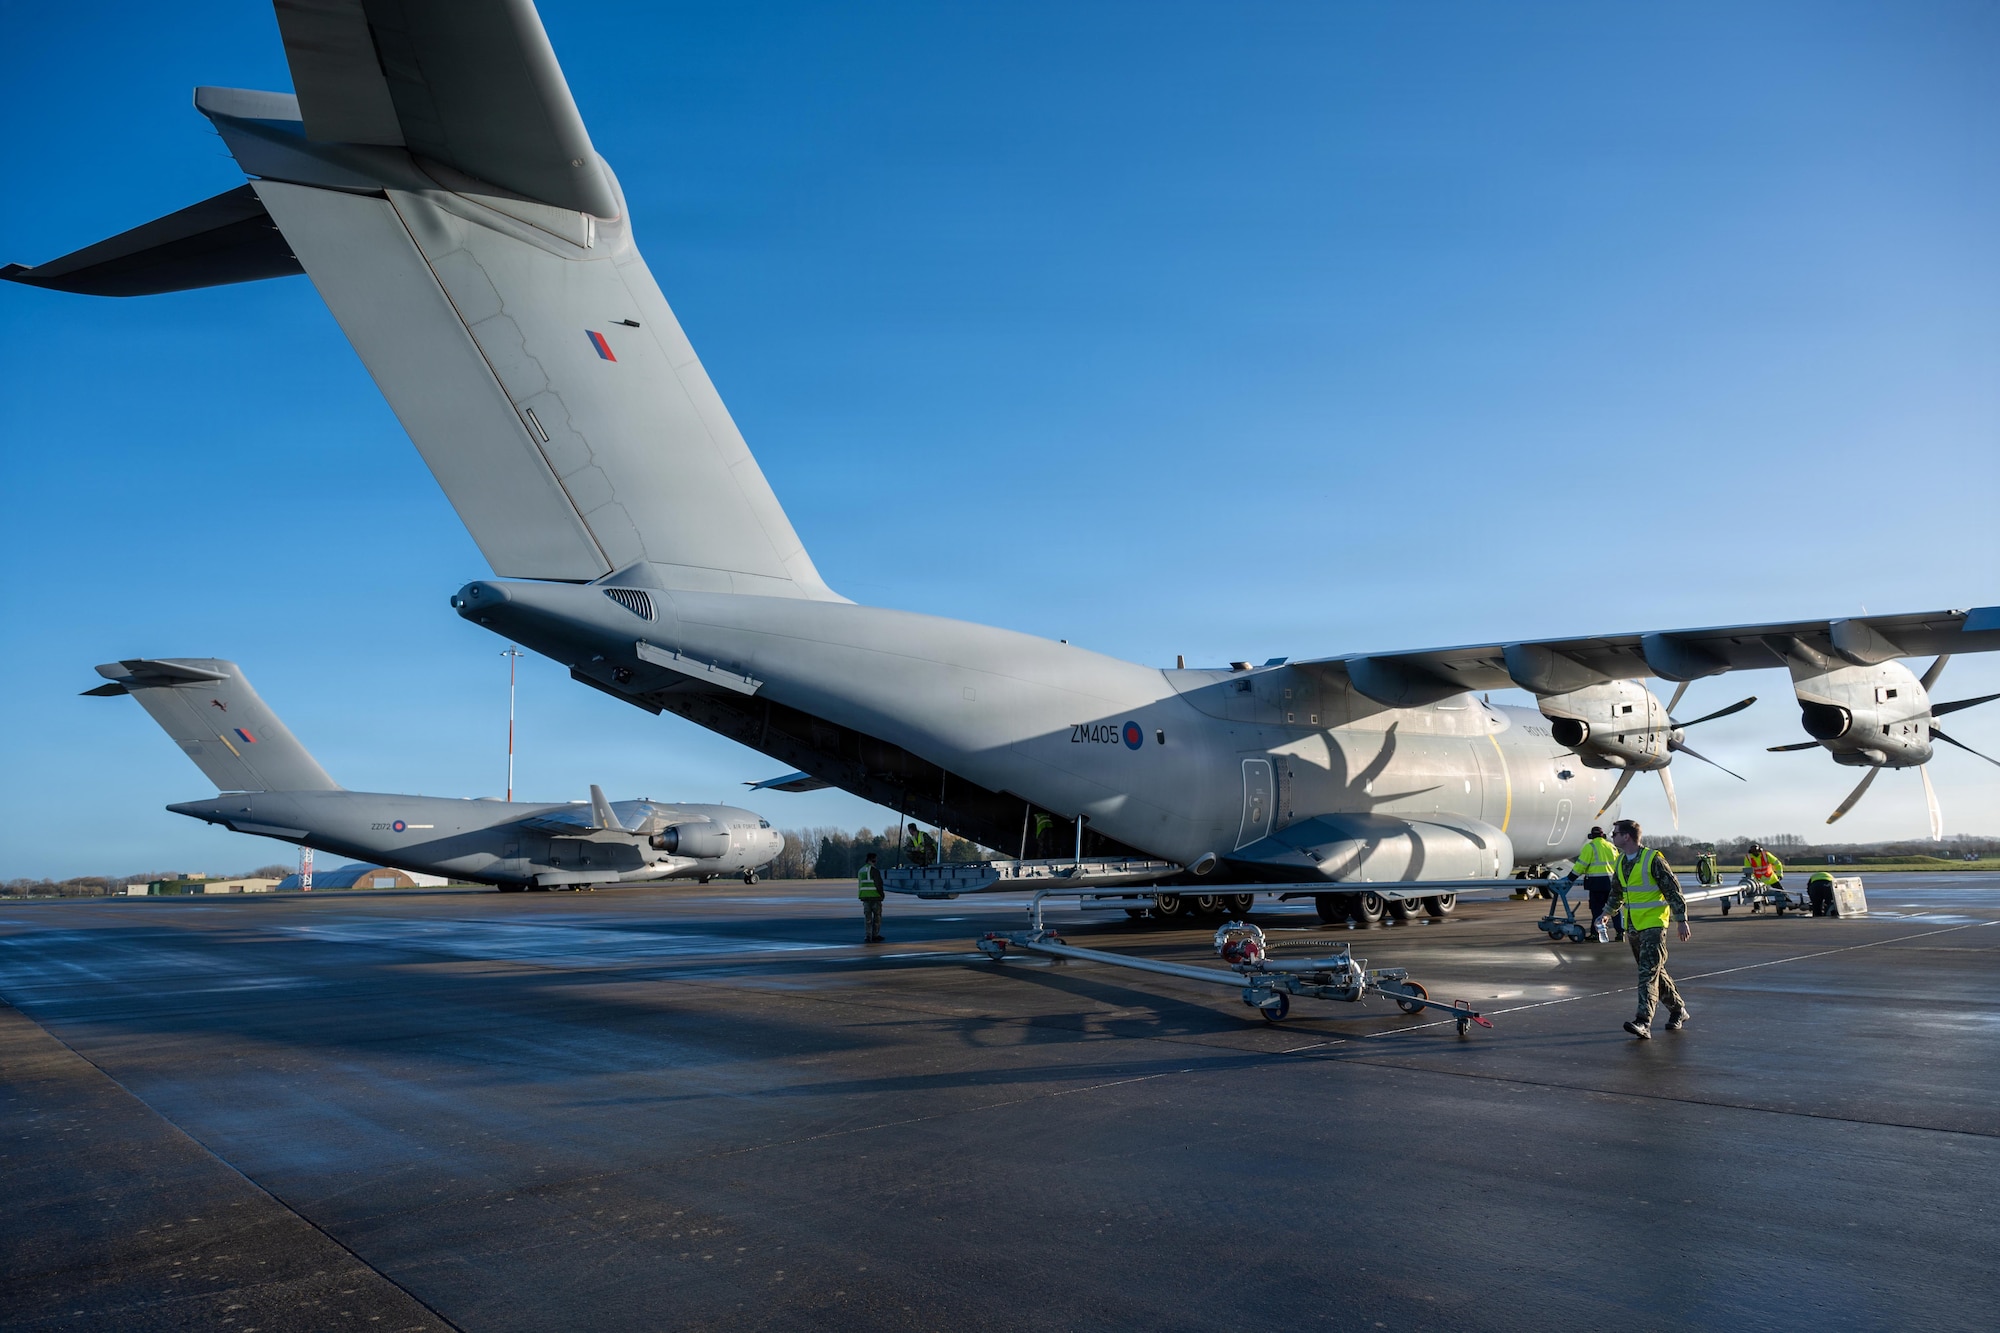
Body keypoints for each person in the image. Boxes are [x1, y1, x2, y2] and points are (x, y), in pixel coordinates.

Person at [1595, 818, 1691, 1040]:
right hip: (1634, 925)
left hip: (1654, 924)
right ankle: (1678, 1010)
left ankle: (1643, 1021)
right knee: (1655, 971)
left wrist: (1681, 919)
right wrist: (1606, 913)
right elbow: (1617, 893)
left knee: (1646, 973)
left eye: (1615, 833)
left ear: (1626, 836)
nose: (1612, 837)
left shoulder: (1653, 859)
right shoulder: (1620, 862)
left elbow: (1673, 890)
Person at [1564, 826, 1621, 942]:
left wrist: (1570, 878)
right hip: (1612, 883)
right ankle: (1620, 933)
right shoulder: (1612, 847)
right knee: (1614, 909)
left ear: (1591, 836)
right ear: (1603, 835)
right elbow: (1618, 865)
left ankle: (1595, 935)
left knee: (1597, 910)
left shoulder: (1590, 847)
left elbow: (1580, 865)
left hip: (1596, 884)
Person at [857, 851, 885, 943]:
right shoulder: (874, 871)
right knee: (877, 917)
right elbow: (878, 884)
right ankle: (875, 935)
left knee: (867, 918)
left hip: (865, 898)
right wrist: (882, 895)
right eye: (875, 859)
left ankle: (867, 936)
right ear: (872, 859)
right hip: (875, 897)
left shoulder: (861, 870)